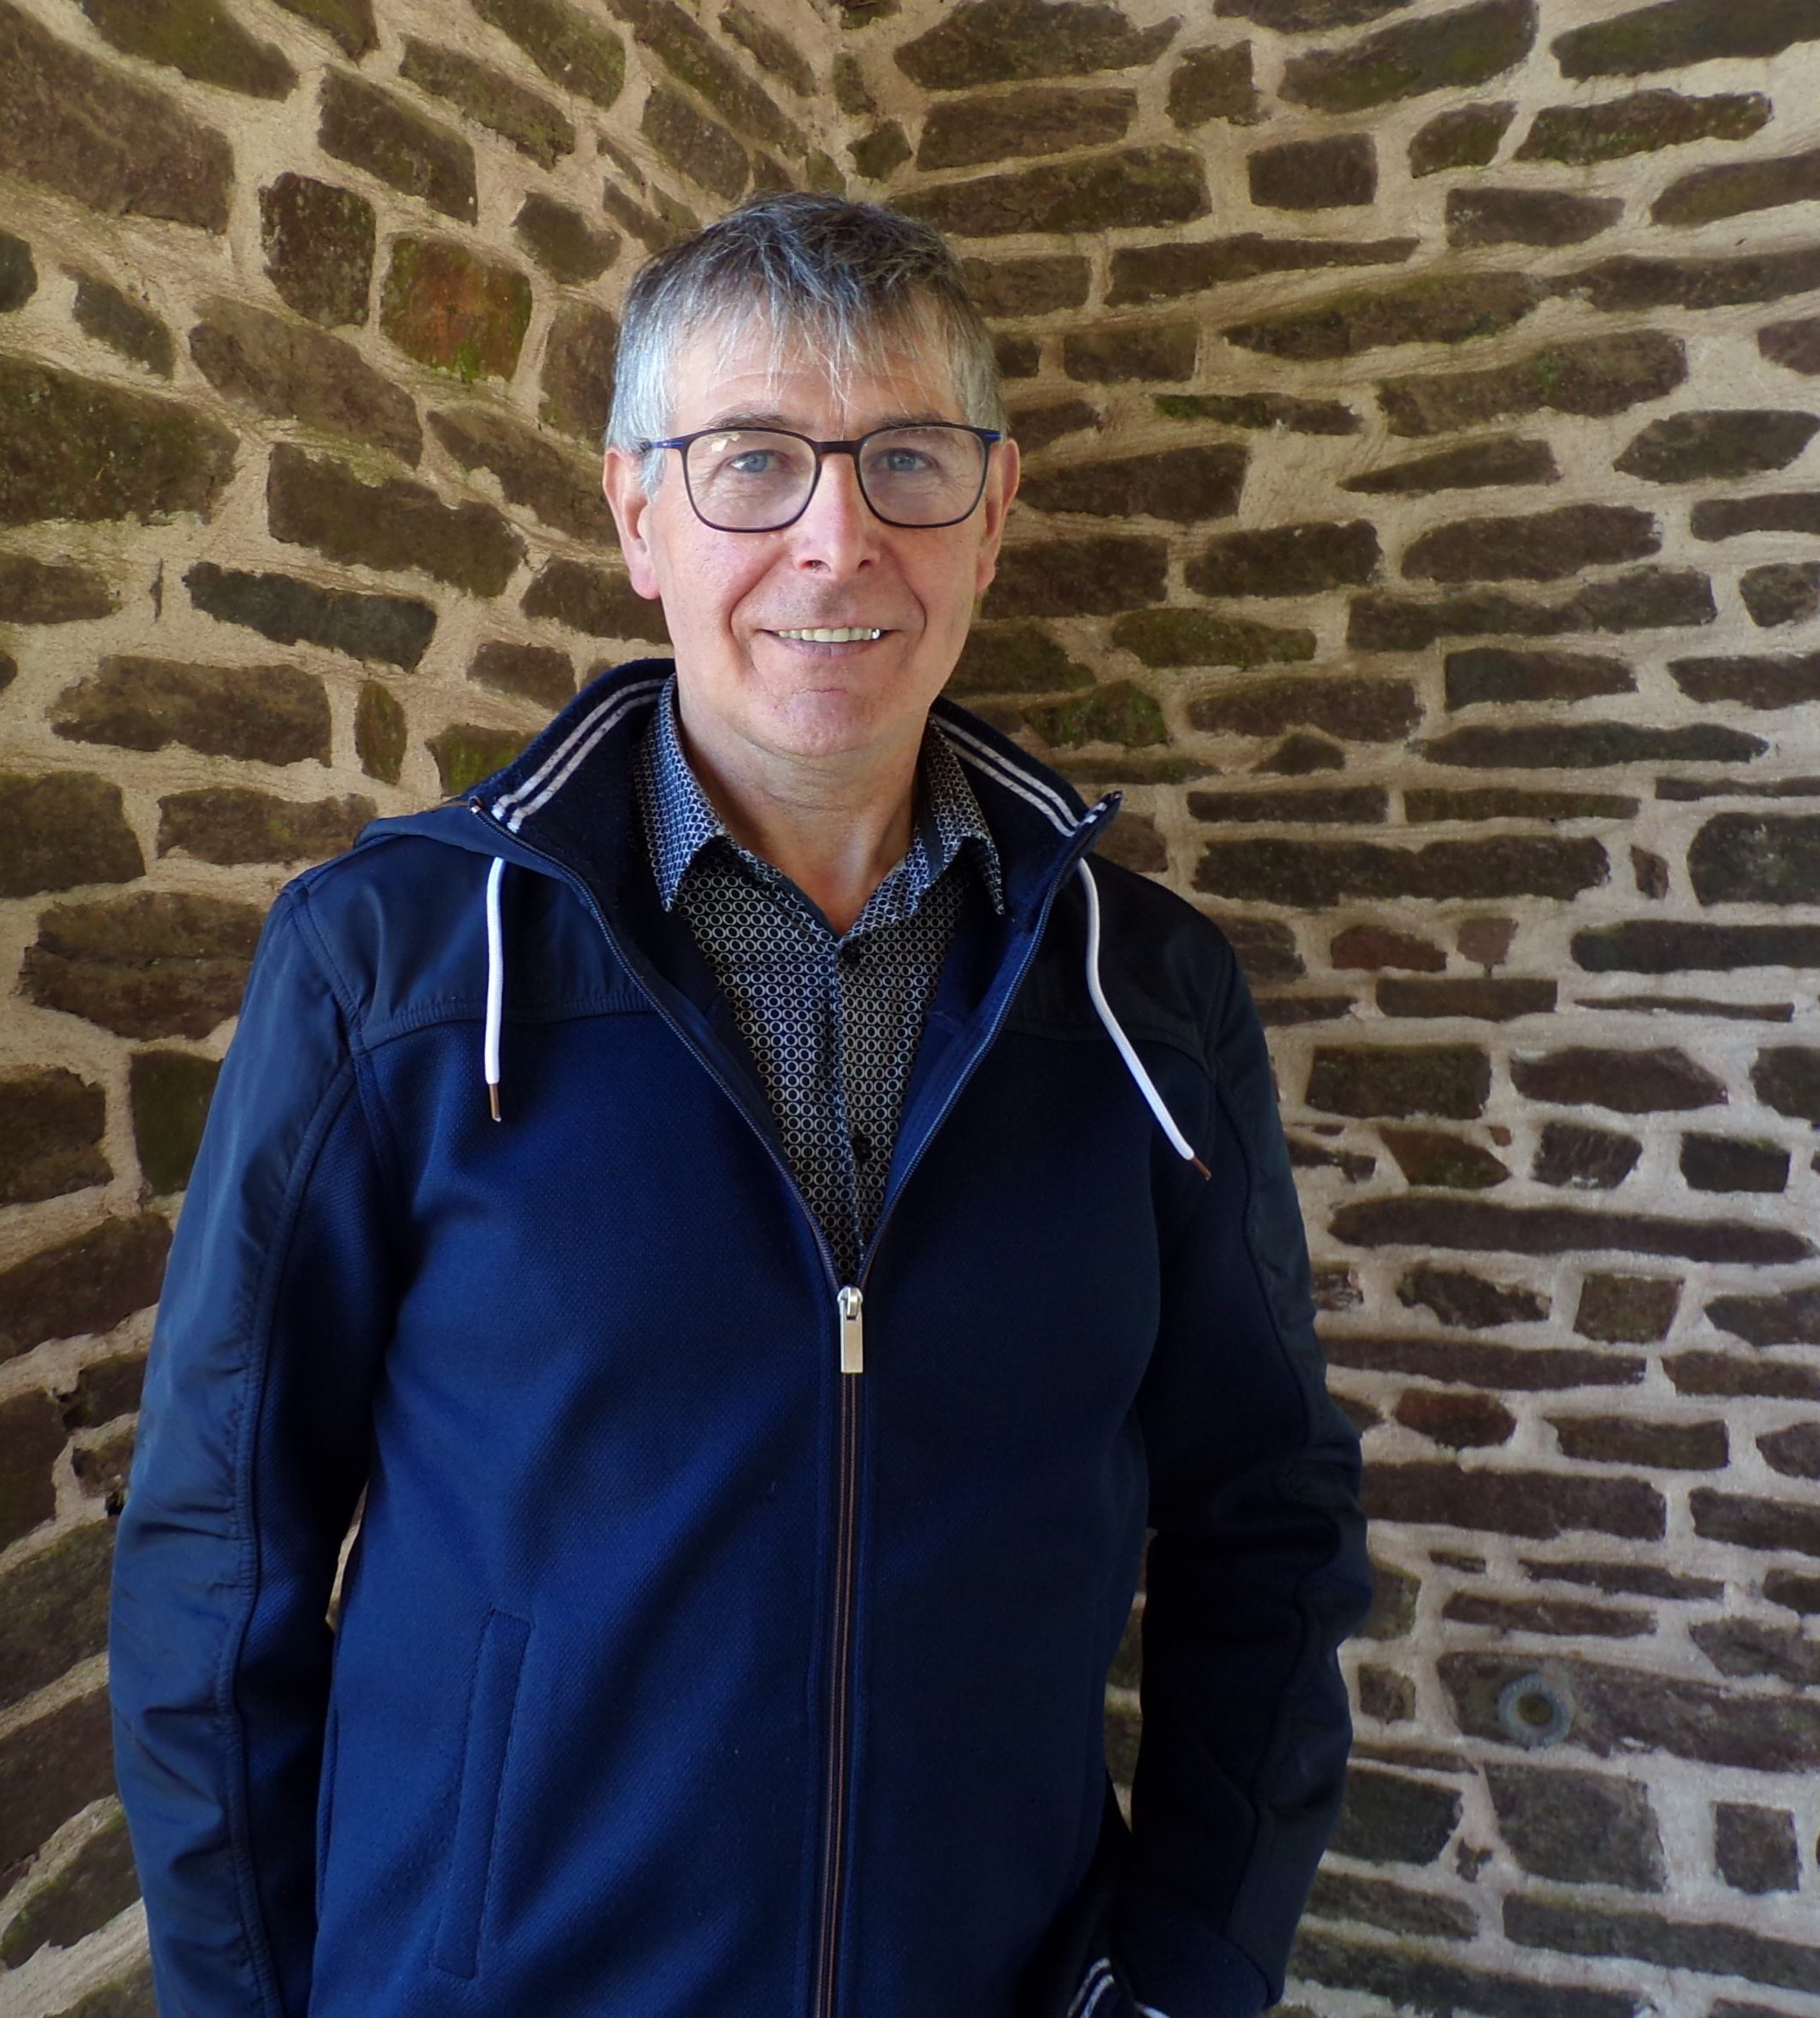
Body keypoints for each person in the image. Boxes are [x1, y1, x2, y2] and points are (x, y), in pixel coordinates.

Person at [109, 191, 1370, 2018]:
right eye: (753, 464)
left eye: (907, 461)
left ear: (992, 515)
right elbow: (217, 1561)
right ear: (637, 514)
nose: (835, 540)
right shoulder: (390, 970)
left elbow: (1269, 1524)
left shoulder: (1148, 998)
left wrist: (1184, 1978)